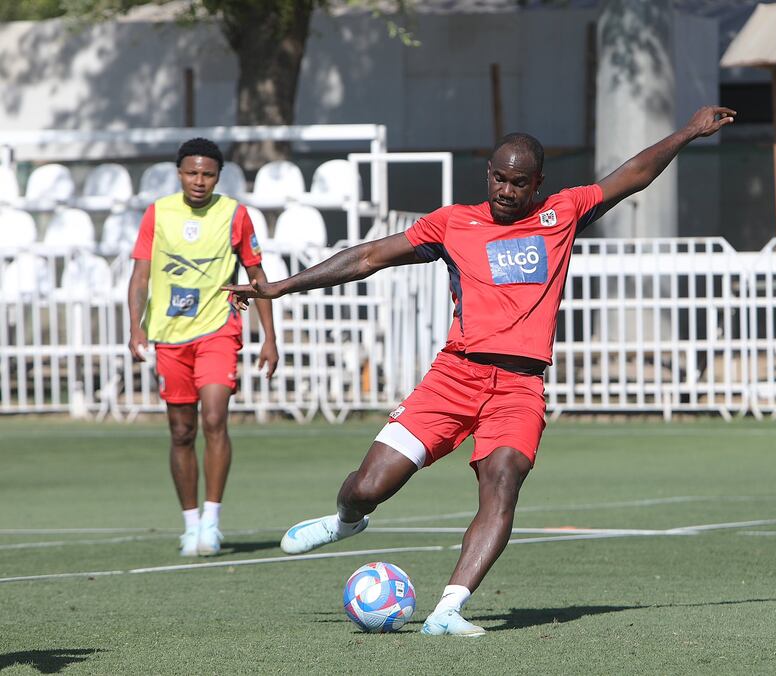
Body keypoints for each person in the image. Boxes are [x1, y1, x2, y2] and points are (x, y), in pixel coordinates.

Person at [224, 106, 735, 634]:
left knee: (503, 480)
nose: (507, 191)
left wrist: (689, 132)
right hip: (454, 378)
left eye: (519, 183)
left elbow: (633, 176)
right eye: (499, 179)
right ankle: (345, 520)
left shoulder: (562, 215)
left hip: (519, 386)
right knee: (368, 487)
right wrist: (281, 287)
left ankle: (449, 608)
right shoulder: (452, 224)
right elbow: (368, 256)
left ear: (538, 184)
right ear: (487, 174)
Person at [128, 137, 279, 557]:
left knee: (214, 418)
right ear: (179, 173)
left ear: (218, 176)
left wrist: (269, 336)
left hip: (218, 330)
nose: (199, 181)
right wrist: (136, 328)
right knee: (181, 431)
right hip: (169, 335)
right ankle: (190, 523)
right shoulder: (158, 214)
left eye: (208, 174)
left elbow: (256, 274)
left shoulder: (235, 214)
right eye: (192, 173)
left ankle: (212, 521)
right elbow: (140, 277)